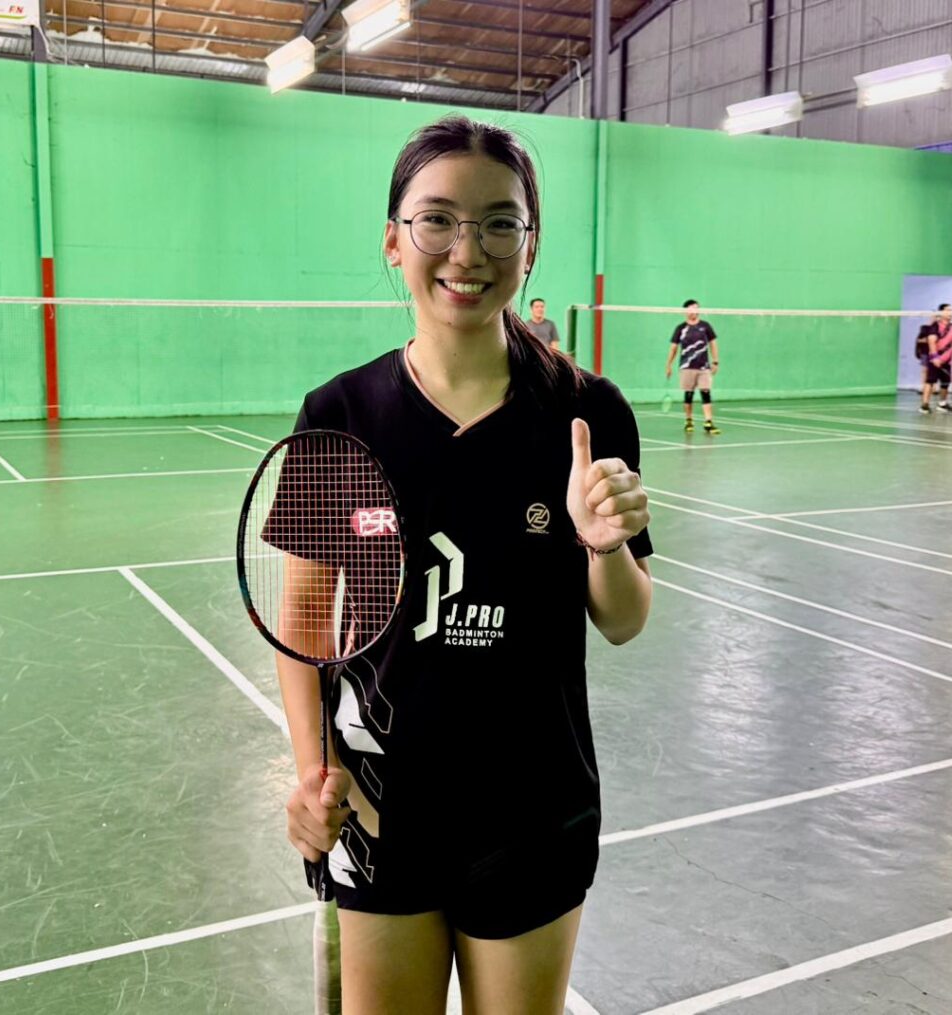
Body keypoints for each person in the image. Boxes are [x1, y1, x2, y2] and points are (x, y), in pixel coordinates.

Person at [277, 116, 654, 1015]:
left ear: (531, 244)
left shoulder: (588, 411)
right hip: (379, 805)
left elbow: (625, 617)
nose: (467, 250)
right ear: (393, 238)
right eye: (437, 219)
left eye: (499, 223)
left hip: (534, 808)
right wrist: (311, 770)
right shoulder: (338, 415)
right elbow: (302, 621)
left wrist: (603, 545)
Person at [665, 299, 720, 434]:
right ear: (686, 311)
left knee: (706, 392)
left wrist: (715, 361)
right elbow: (673, 348)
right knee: (688, 394)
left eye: (697, 308)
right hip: (686, 367)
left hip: (704, 367)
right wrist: (669, 365)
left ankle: (708, 422)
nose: (695, 311)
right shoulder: (681, 328)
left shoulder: (705, 326)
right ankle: (688, 420)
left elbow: (713, 344)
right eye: (692, 308)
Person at [920, 303, 952, 414]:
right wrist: (935, 357)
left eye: (951, 310)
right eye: (947, 310)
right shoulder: (935, 326)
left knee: (945, 382)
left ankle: (942, 404)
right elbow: (931, 341)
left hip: (947, 360)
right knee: (930, 381)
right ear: (941, 313)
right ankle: (924, 405)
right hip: (935, 359)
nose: (950, 313)